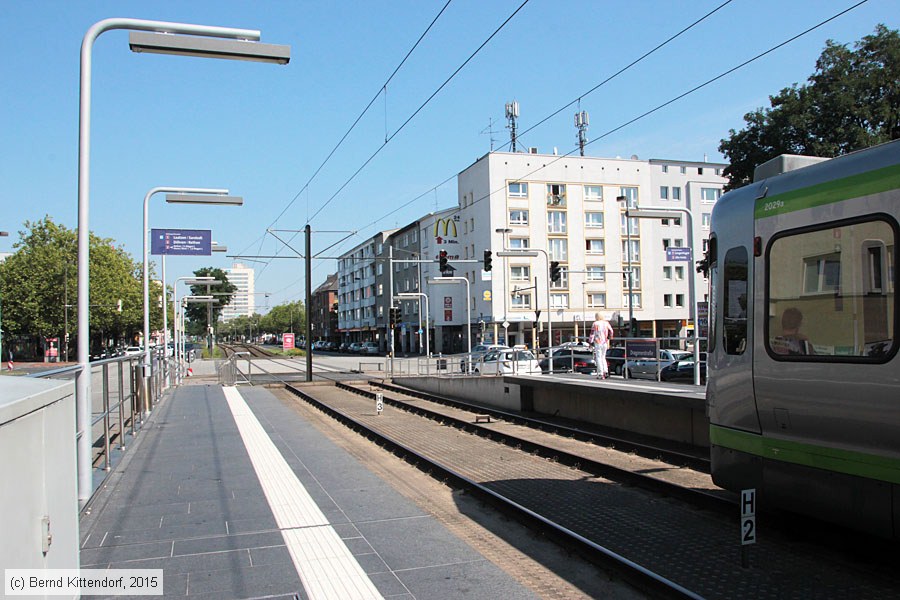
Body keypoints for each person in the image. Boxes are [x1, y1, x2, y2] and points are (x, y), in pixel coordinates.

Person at [588, 312, 614, 379]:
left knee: (598, 357)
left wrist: (590, 342)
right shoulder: (606, 323)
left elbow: (592, 334)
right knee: (603, 357)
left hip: (598, 342)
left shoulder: (595, 324)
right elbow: (611, 331)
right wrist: (609, 338)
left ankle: (600, 373)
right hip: (604, 342)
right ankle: (606, 371)